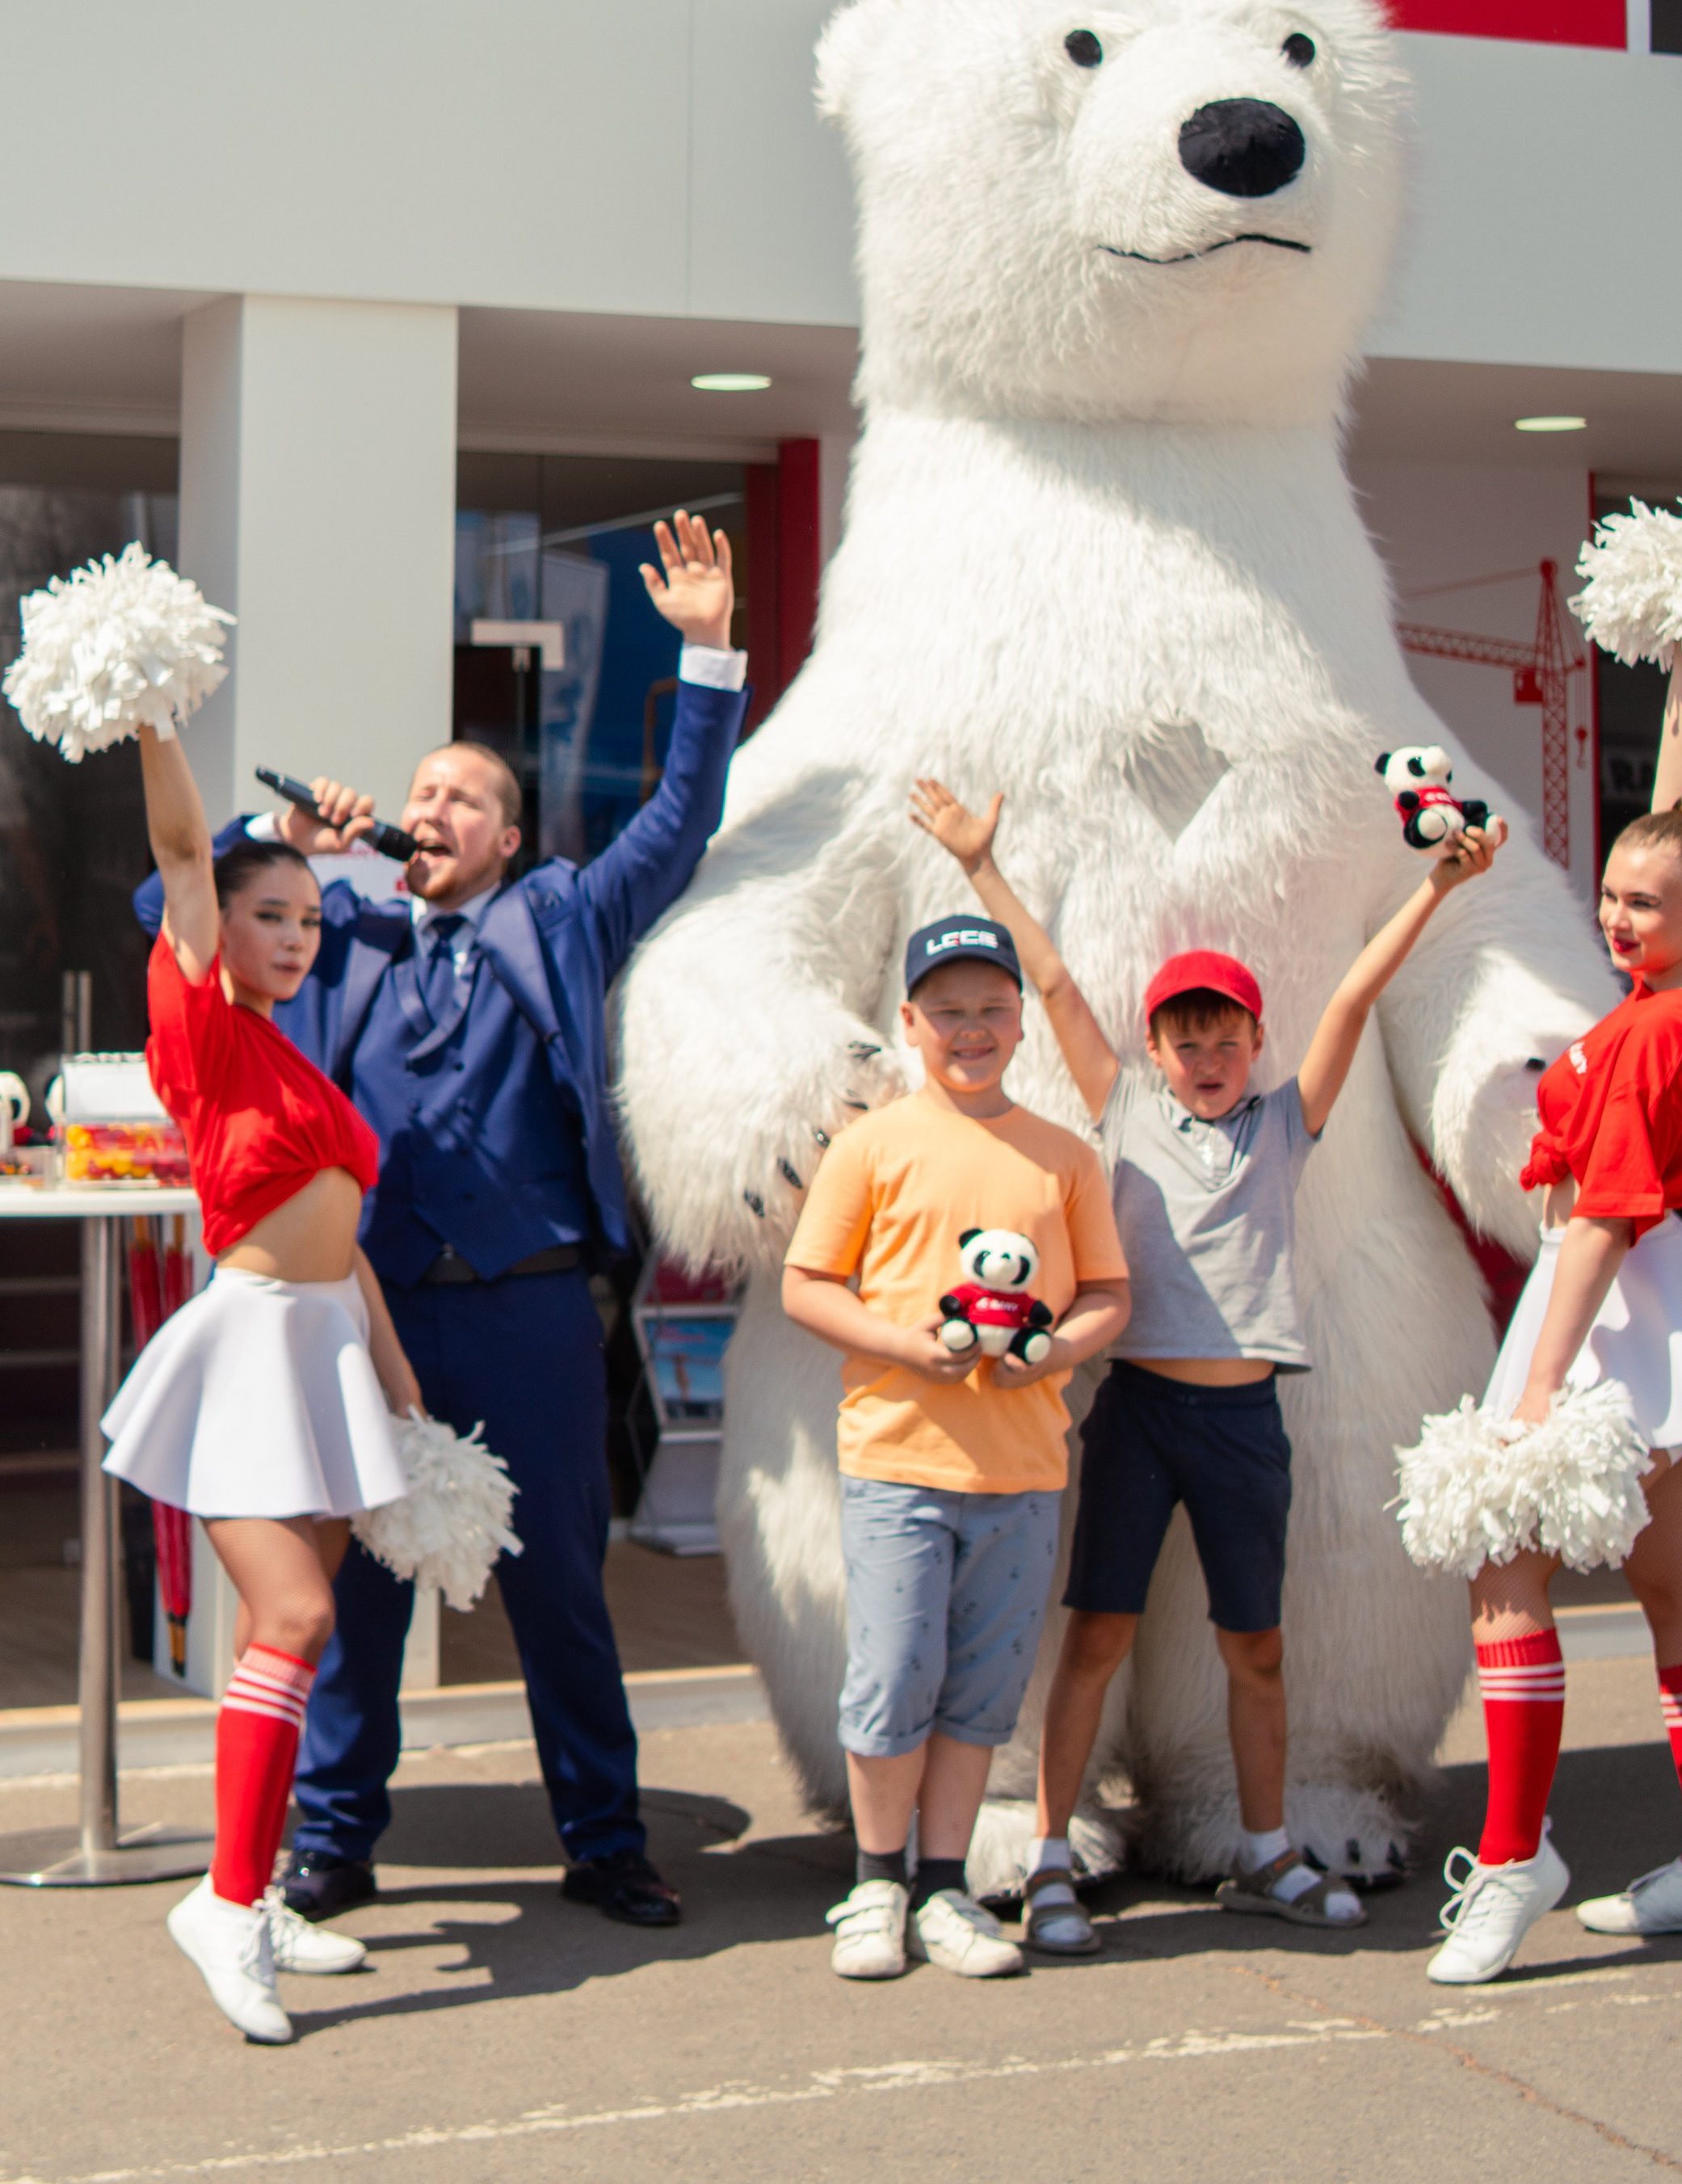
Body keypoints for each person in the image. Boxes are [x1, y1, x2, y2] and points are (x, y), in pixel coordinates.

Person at [133, 512, 746, 1931]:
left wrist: (707, 652)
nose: (435, 807)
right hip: (375, 1304)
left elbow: (677, 824)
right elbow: (157, 904)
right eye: (422, 789)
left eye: (466, 796)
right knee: (356, 1603)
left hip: (531, 1303)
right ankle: (334, 1841)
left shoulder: (561, 918)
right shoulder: (322, 932)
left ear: (510, 836)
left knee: (560, 1594)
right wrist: (280, 839)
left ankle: (602, 1837)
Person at [909, 776, 1506, 1959]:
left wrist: (1436, 883)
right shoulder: (1124, 1107)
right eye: (1186, 1034)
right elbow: (1059, 985)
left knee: (1259, 1647)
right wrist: (981, 869)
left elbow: (1356, 992)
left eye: (1225, 1031)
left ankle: (1268, 1849)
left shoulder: (1286, 1122)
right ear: (1158, 1048)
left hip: (1244, 1427)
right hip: (1137, 1415)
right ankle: (1047, 1854)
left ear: (1253, 1042)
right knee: (1095, 1638)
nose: (1206, 1050)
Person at [1424, 647, 1682, 1988]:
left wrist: (1531, 1395)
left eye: (1644, 906)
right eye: (1608, 896)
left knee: (1504, 1576)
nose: (1616, 919)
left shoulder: (1655, 1030)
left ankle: (1515, 1855)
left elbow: (1599, 1217)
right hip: (1652, 1302)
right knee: (1677, 1591)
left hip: (1604, 1296)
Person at [102, 721, 421, 2042]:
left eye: (307, 918)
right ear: (212, 928)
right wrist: (155, 719)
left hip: (332, 1348)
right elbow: (183, 842)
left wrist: (400, 1393)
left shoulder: (293, 1053)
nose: (297, 938)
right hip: (248, 1352)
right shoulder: (202, 1021)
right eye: (269, 916)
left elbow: (353, 1250)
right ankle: (225, 1908)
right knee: (292, 1620)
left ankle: (262, 1887)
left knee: (297, 1637)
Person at [781, 914, 1131, 1980]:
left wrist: (1054, 1352)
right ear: (910, 1024)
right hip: (897, 1456)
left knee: (981, 1688)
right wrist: (904, 1347)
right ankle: (875, 1882)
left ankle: (945, 1888)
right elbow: (807, 1284)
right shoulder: (872, 1143)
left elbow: (1111, 1294)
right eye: (948, 1012)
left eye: (989, 1010)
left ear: (1021, 1023)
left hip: (1023, 1465)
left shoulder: (1066, 1158)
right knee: (891, 1675)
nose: (969, 1030)